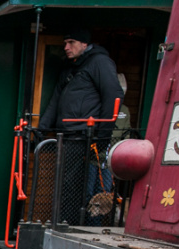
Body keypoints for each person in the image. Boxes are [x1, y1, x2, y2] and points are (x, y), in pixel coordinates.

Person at [38, 28, 124, 225]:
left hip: (85, 137)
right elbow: (56, 100)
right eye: (65, 43)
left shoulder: (99, 63)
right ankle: (62, 222)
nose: (66, 47)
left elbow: (113, 95)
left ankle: (73, 225)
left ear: (85, 43)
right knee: (65, 185)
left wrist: (103, 134)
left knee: (79, 186)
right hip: (67, 136)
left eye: (71, 42)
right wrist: (42, 130)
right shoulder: (70, 68)